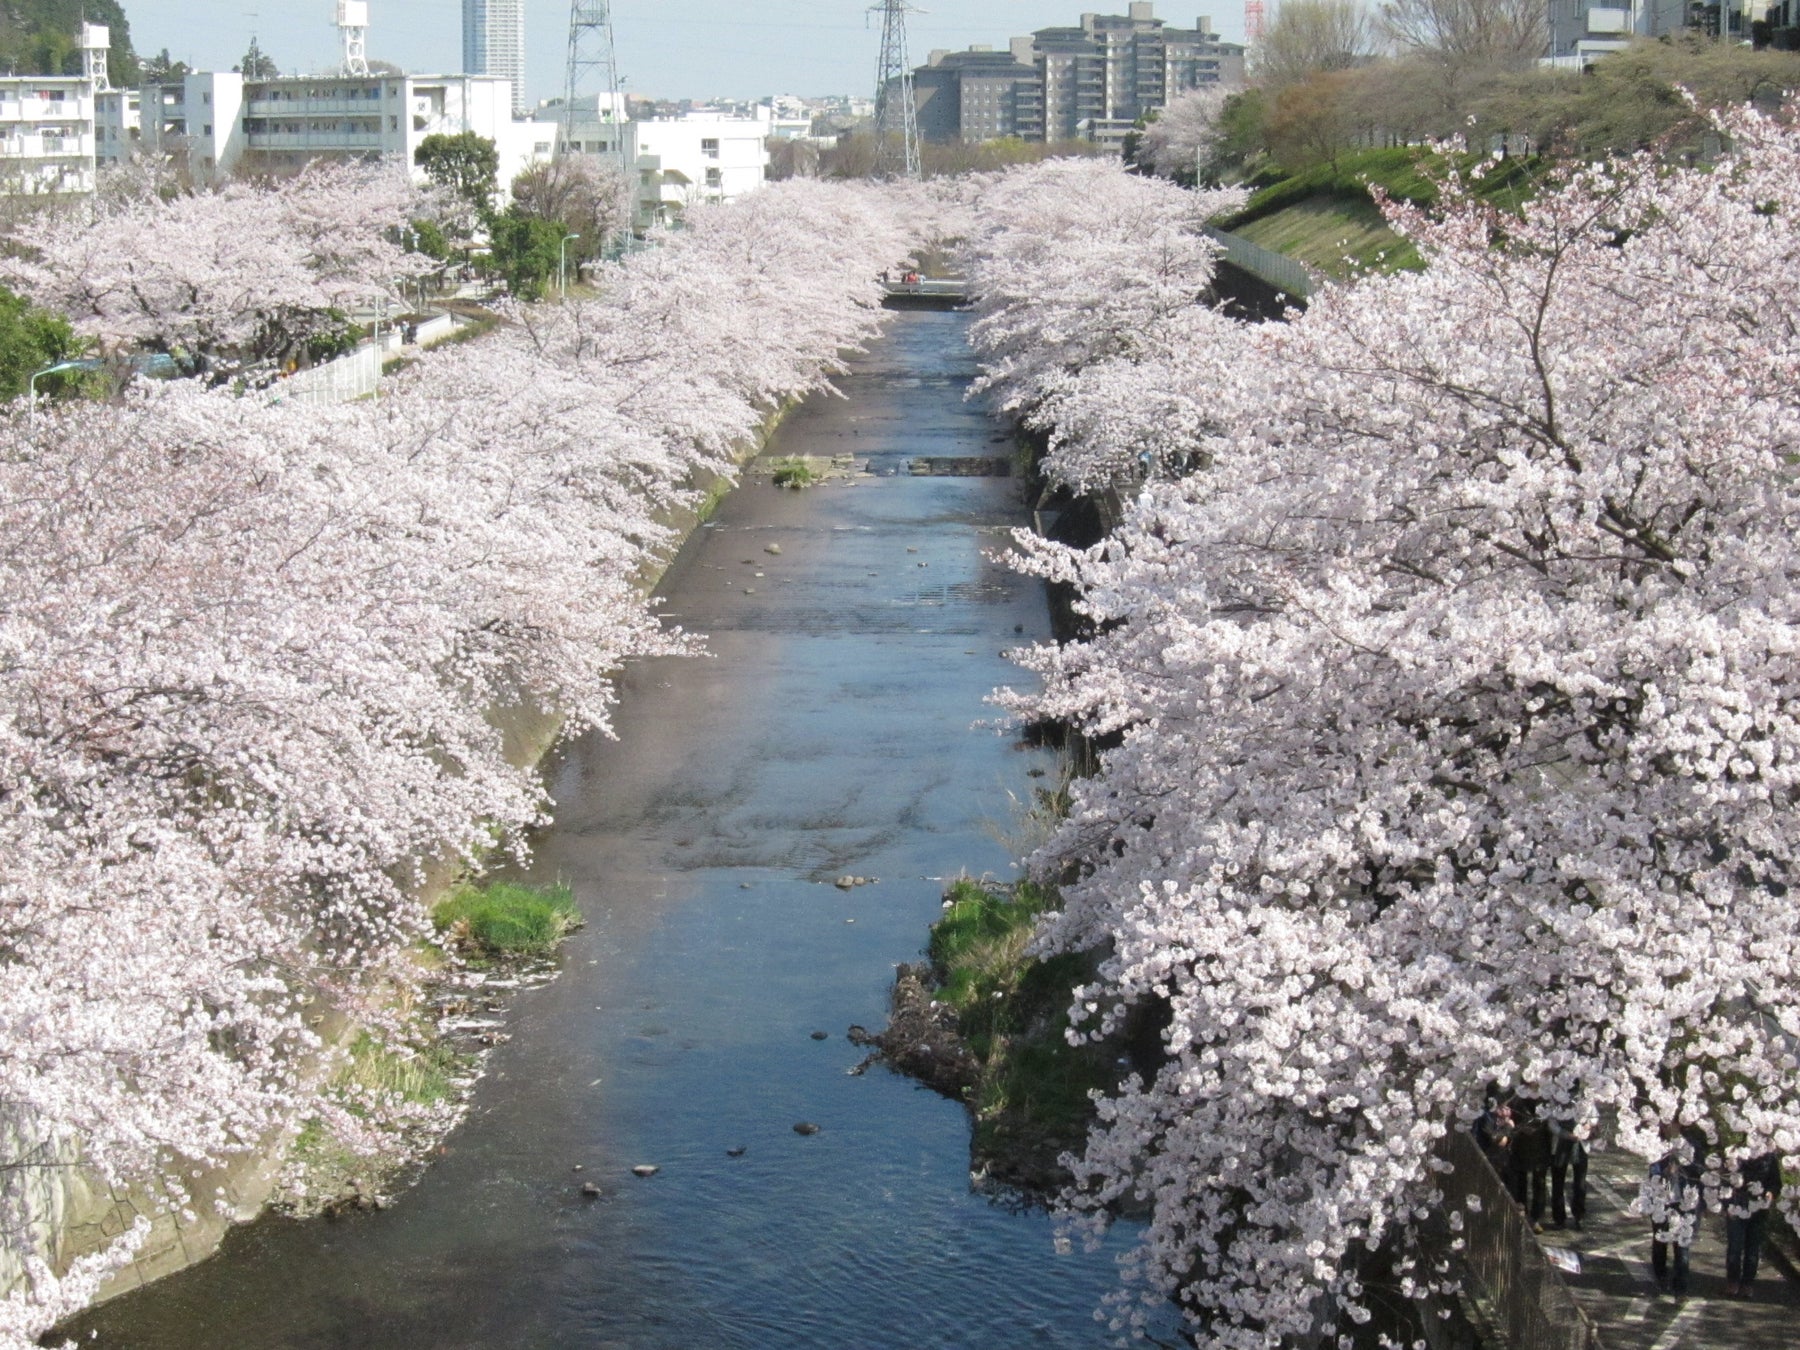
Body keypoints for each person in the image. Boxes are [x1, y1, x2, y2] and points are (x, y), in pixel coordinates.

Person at [1647, 1125, 1703, 1296]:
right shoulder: (1657, 1145)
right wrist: (1666, 1172)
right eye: (1664, 1125)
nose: (1668, 1128)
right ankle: (1661, 1276)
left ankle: (1681, 1286)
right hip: (1663, 1200)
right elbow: (1653, 1172)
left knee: (1682, 1244)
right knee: (1660, 1241)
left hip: (1685, 1201)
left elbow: (1700, 1171)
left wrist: (1683, 1167)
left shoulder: (1690, 1145)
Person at [1725, 1151, 1782, 1297]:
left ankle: (1747, 1284)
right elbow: (1725, 1179)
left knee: (1752, 1249)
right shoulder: (1738, 1154)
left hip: (1759, 1207)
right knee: (1734, 1246)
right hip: (1737, 1204)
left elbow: (1776, 1182)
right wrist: (1727, 1203)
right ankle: (1733, 1281)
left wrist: (1770, 1192)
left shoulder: (1769, 1158)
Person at [1549, 1112, 1588, 1232]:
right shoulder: (1555, 1095)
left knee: (1580, 1183)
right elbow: (1552, 1123)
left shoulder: (1585, 1096)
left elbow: (1593, 1115)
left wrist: (1587, 1126)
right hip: (1560, 1143)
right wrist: (1567, 1135)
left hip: (1580, 1144)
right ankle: (1559, 1218)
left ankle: (1579, 1215)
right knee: (1558, 1182)